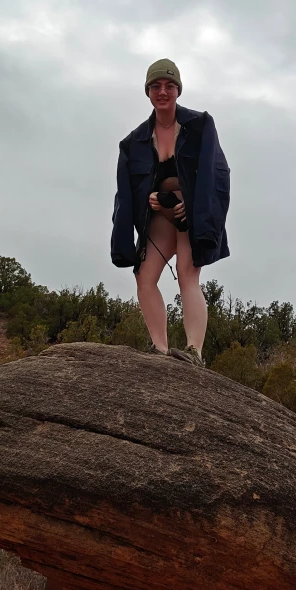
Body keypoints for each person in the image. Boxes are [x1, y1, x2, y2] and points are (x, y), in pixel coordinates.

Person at [111, 59, 230, 367]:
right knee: (144, 277)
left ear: (178, 89)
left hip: (191, 215)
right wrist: (148, 199)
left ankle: (194, 352)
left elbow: (215, 173)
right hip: (159, 216)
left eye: (169, 86)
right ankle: (160, 349)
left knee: (188, 276)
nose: (162, 92)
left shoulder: (200, 125)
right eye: (155, 86)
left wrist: (194, 208)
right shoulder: (133, 142)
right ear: (148, 91)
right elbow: (126, 193)